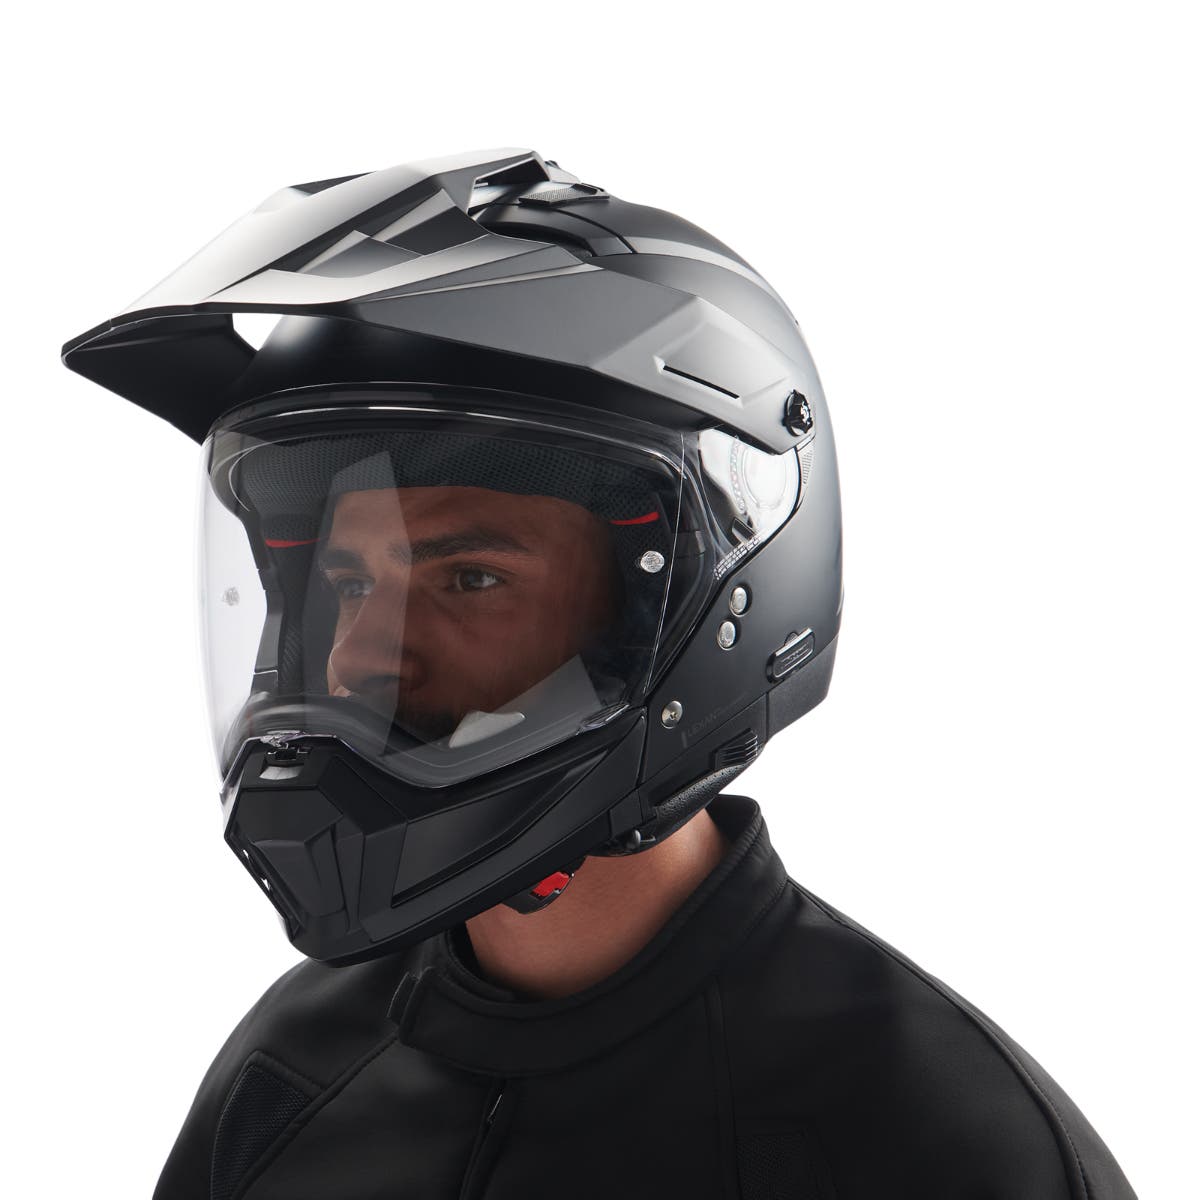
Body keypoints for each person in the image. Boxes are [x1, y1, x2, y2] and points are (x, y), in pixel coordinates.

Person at [62, 148, 1137, 1198]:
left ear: (682, 609)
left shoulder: (931, 1139)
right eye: (347, 584)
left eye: (470, 577)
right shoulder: (292, 1069)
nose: (357, 657)